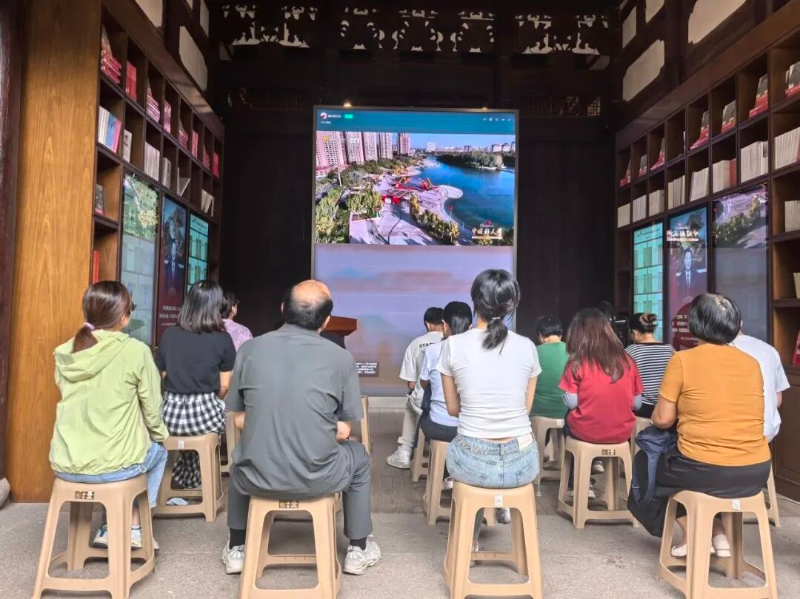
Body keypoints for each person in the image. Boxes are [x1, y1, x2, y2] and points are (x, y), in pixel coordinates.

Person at [223, 280, 380, 576]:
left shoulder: (250, 349)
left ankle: (237, 548)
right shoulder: (341, 358)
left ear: (283, 308)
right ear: (326, 320)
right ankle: (358, 549)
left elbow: (239, 419)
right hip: (319, 477)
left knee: (241, 456)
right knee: (359, 457)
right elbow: (344, 432)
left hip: (257, 476)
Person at [645, 294, 771, 556]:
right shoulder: (752, 363)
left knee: (649, 462)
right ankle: (717, 532)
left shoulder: (683, 360)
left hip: (705, 469)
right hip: (755, 471)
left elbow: (663, 419)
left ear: (694, 324)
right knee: (683, 467)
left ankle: (692, 532)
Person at [50, 282, 169, 548]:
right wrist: (160, 435)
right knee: (159, 452)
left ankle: (108, 527)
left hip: (66, 463)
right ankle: (134, 527)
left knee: (117, 452)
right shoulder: (136, 351)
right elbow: (152, 409)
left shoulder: (65, 352)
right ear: (124, 316)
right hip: (116, 465)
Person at [439, 269, 541, 543]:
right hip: (523, 462)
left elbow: (452, 409)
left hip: (472, 460)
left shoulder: (452, 345)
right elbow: (525, 409)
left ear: (474, 300)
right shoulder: (528, 347)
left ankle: (467, 543)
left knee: (464, 457)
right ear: (511, 305)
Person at [156, 280, 235, 491]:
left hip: (170, 416)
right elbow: (224, 387)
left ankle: (185, 479)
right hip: (203, 412)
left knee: (186, 437)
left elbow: (164, 376)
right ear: (216, 306)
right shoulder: (223, 339)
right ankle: (195, 481)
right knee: (212, 422)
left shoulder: (168, 335)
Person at [560, 308, 644, 498]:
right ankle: (596, 462)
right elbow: (637, 404)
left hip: (586, 431)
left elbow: (572, 403)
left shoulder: (577, 361)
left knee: (569, 418)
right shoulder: (627, 360)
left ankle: (579, 483)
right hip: (621, 433)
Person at [386, 307, 444, 469]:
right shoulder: (453, 342)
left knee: (411, 405)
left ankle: (404, 451)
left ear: (427, 323)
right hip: (450, 407)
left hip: (424, 404)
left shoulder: (416, 344)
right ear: (444, 322)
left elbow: (411, 384)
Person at [419, 301, 473, 446]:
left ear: (444, 325)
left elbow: (423, 383)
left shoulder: (433, 350)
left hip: (439, 427)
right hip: (471, 427)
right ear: (470, 327)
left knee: (429, 391)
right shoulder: (479, 352)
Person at [731, 326, 790, 442]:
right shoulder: (769, 350)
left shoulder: (712, 350)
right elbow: (778, 399)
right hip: (766, 431)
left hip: (730, 434)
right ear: (740, 322)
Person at [530, 315, 569, 466]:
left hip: (540, 410)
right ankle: (561, 460)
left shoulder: (534, 352)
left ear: (540, 335)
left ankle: (540, 454)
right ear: (561, 334)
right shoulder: (572, 351)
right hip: (567, 409)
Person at [625, 313, 675, 418]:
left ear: (634, 333)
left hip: (643, 409)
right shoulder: (670, 349)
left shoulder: (630, 351)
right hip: (666, 407)